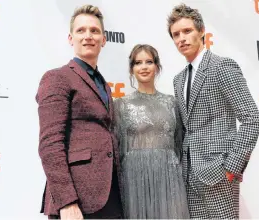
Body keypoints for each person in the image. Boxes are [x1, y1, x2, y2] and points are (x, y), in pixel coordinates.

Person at [167, 4, 259, 219]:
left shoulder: (222, 67)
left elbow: (251, 119)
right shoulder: (178, 79)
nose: (182, 38)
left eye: (187, 31)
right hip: (189, 177)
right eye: (176, 34)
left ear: (201, 32)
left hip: (220, 173)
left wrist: (232, 167)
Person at [36, 4, 123, 219]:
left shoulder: (104, 85)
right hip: (76, 201)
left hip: (109, 197)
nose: (88, 36)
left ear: (104, 39)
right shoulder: (57, 77)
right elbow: (50, 144)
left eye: (94, 31)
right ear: (70, 38)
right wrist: (67, 201)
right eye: (81, 30)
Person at [114, 44, 190, 219]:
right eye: (138, 62)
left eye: (149, 61)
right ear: (131, 69)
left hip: (168, 177)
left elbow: (179, 144)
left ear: (157, 66)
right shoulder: (121, 105)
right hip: (134, 179)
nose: (144, 67)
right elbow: (118, 149)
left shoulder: (172, 103)